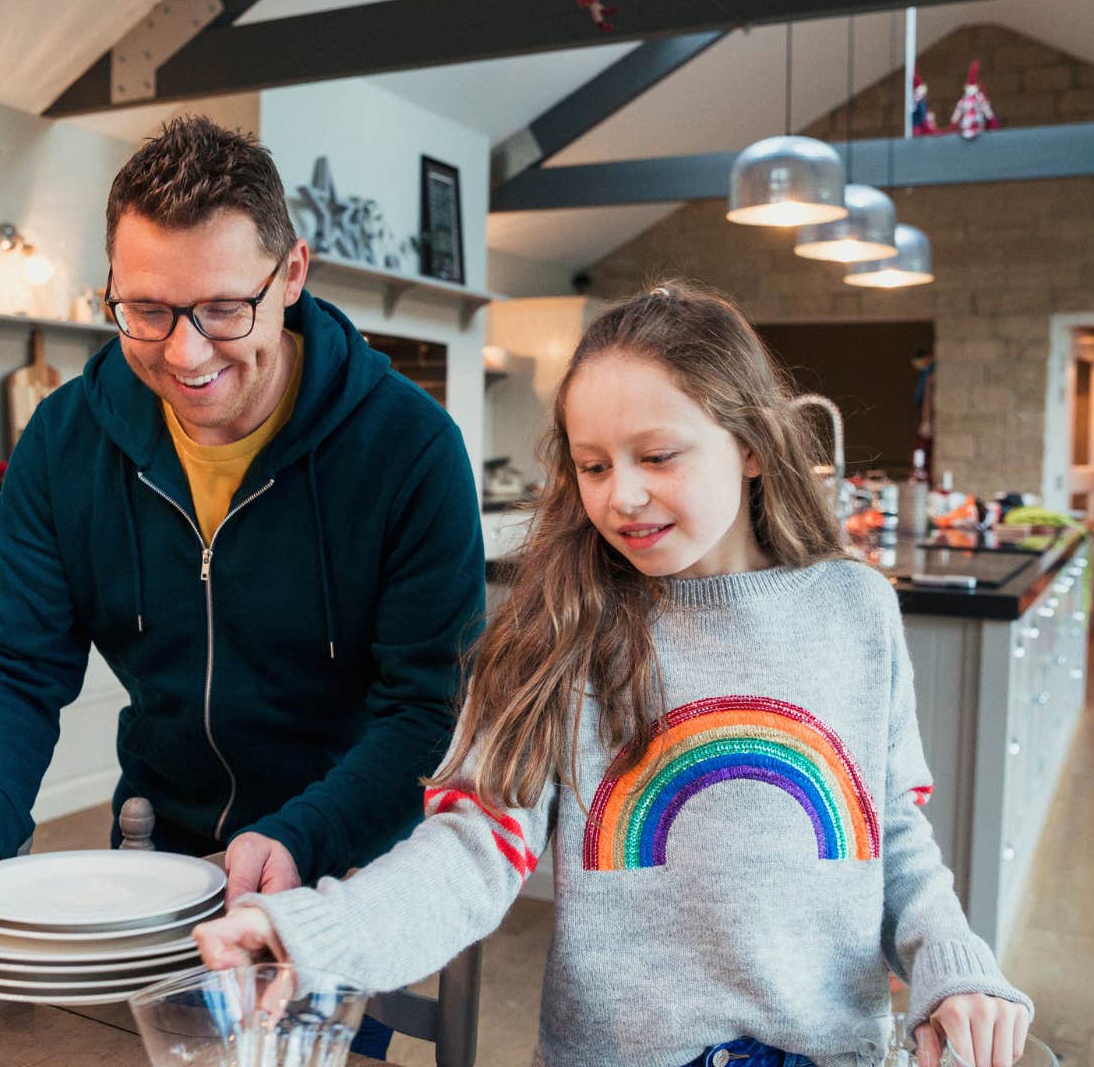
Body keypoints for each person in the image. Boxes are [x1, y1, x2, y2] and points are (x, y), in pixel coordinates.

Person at [194, 282, 1034, 1067]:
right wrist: (319, 933)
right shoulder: (557, 627)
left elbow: (891, 831)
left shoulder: (856, 609)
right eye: (593, 466)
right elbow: (473, 849)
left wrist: (952, 965)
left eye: (658, 455)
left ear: (749, 444)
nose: (621, 495)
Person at [0, 118, 484, 997]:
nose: (184, 352)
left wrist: (302, 838)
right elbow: (13, 666)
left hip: (349, 857)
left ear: (291, 275)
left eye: (221, 309)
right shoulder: (65, 441)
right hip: (152, 861)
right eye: (149, 311)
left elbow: (426, 710)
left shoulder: (409, 449)